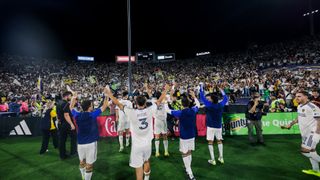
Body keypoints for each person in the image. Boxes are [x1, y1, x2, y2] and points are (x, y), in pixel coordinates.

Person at [106, 84, 169, 180]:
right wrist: (166, 90)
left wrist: (110, 95)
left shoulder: (132, 112)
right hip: (147, 144)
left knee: (138, 167)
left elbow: (118, 104)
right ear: (145, 103)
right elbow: (159, 101)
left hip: (137, 146)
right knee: (146, 161)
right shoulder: (150, 110)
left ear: (136, 103)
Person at [70, 89, 109, 180]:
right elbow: (104, 106)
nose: (93, 107)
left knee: (81, 162)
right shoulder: (92, 114)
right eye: (92, 105)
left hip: (80, 143)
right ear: (89, 107)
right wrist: (107, 95)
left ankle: (83, 176)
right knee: (89, 165)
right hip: (91, 143)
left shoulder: (77, 115)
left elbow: (71, 107)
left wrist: (74, 97)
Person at [282, 90, 320, 177]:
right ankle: (316, 170)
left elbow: (319, 120)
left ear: (306, 97)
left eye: (299, 96)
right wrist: (290, 124)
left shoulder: (312, 107)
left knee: (304, 151)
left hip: (313, 132)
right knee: (312, 151)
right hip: (305, 133)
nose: (296, 98)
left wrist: (317, 133)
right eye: (296, 96)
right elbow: (298, 118)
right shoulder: (299, 106)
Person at [166, 90, 200, 180]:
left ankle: (190, 173)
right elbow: (198, 105)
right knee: (189, 152)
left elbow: (167, 110)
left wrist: (165, 101)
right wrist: (194, 96)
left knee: (184, 153)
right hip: (192, 135)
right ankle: (188, 168)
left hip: (184, 136)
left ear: (182, 103)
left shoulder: (180, 113)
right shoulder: (193, 110)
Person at [199, 83, 228, 165]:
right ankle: (221, 158)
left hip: (210, 127)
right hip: (218, 126)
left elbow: (201, 96)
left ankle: (213, 160)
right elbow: (225, 98)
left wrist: (201, 86)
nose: (209, 99)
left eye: (210, 98)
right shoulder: (220, 105)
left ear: (211, 99)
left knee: (210, 142)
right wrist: (221, 90)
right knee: (219, 141)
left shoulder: (209, 105)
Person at [56, 91, 77, 159]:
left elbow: (57, 114)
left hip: (61, 123)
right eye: (70, 96)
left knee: (62, 140)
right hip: (66, 123)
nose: (70, 98)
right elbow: (66, 115)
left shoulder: (58, 103)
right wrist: (71, 124)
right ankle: (73, 152)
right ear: (67, 96)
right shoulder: (65, 104)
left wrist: (59, 120)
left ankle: (62, 155)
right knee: (74, 136)